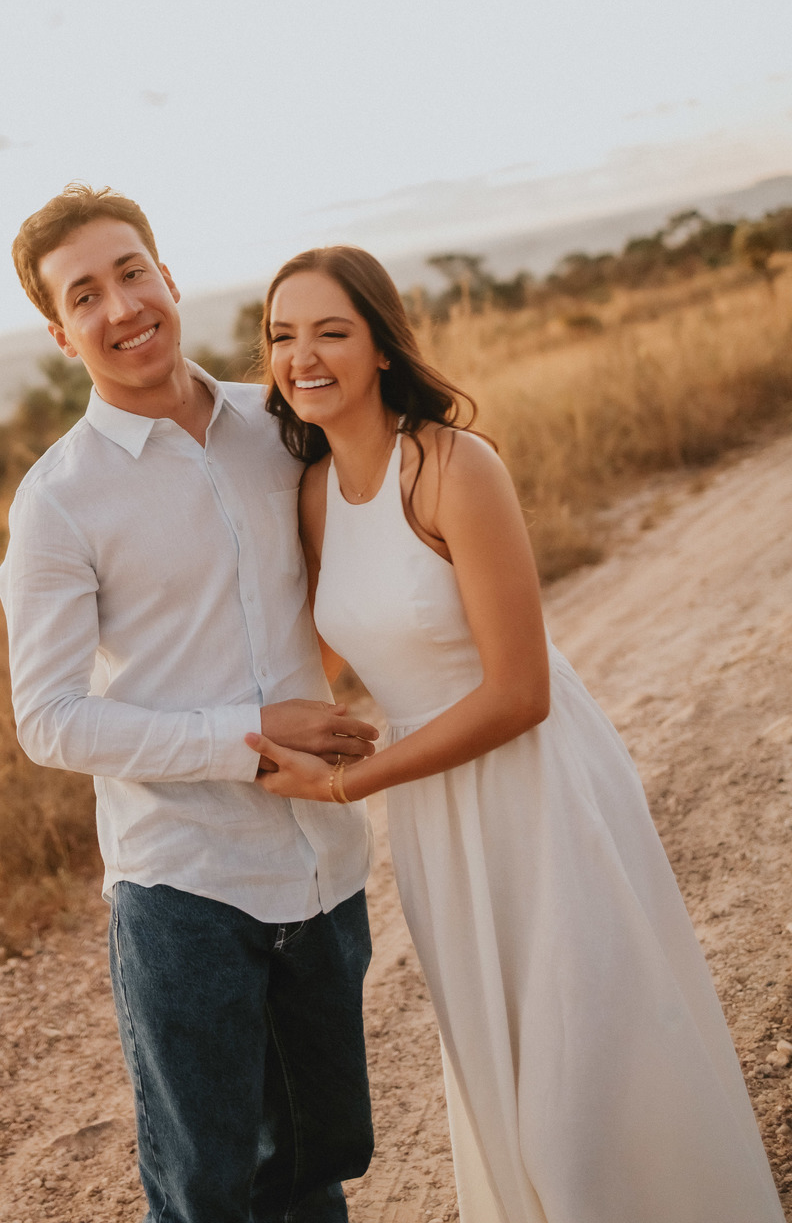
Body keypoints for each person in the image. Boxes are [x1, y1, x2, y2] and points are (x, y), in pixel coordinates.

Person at [245, 244, 782, 1223]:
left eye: (331, 331)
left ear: (381, 345)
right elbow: (324, 656)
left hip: (535, 782)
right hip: (436, 814)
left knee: (591, 1061)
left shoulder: (453, 465)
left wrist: (349, 784)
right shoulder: (314, 495)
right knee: (506, 1056)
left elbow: (520, 692)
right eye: (283, 335)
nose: (302, 356)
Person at [0, 186, 378, 1223]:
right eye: (85, 295)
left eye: (132, 273)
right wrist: (248, 742)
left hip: (323, 862)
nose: (121, 307)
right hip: (186, 886)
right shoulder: (58, 500)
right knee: (208, 1195)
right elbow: (50, 718)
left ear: (167, 277)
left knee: (316, 1172)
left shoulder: (281, 424)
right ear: (60, 332)